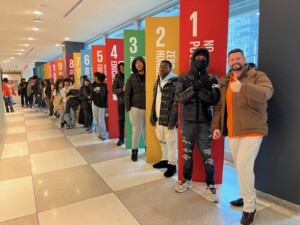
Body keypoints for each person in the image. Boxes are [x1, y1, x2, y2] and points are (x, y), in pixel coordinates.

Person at [212, 48, 274, 225]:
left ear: (244, 59)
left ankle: (249, 207)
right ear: (228, 62)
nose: (234, 62)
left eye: (238, 58)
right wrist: (216, 126)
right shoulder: (225, 81)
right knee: (241, 168)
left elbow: (266, 94)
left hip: (253, 130)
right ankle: (246, 196)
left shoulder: (257, 75)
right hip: (233, 132)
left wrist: (244, 87)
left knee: (243, 166)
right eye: (231, 59)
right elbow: (219, 107)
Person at [174, 47, 220, 203]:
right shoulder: (183, 77)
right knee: (187, 153)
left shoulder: (213, 78)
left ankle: (211, 183)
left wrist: (198, 87)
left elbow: (214, 99)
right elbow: (180, 97)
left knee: (207, 155)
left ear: (207, 61)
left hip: (204, 123)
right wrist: (195, 86)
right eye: (198, 58)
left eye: (204, 59)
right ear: (193, 59)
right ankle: (186, 179)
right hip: (186, 122)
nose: (201, 61)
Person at [150, 60, 178, 177]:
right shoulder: (157, 82)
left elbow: (176, 103)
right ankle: (164, 160)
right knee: (162, 140)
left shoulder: (175, 82)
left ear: (170, 69)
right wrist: (152, 115)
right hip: (158, 118)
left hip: (169, 120)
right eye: (160, 66)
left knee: (171, 142)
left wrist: (173, 120)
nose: (162, 69)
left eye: (165, 67)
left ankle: (172, 165)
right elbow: (154, 100)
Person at [125, 56, 146, 162]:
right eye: (136, 63)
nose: (139, 64)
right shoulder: (132, 77)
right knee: (136, 130)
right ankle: (134, 151)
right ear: (134, 65)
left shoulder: (149, 75)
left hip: (148, 107)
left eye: (140, 62)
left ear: (143, 63)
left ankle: (148, 149)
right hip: (135, 108)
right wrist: (128, 107)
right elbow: (127, 93)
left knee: (147, 130)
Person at [91, 72, 109, 140]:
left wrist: (106, 107)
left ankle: (104, 135)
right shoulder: (93, 85)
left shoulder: (104, 85)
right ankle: (99, 134)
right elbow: (91, 93)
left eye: (94, 76)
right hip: (94, 103)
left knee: (101, 121)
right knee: (95, 120)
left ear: (97, 77)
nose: (93, 78)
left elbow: (104, 96)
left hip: (101, 105)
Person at [112, 62, 125, 146]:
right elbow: (113, 90)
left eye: (123, 67)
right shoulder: (117, 77)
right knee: (121, 120)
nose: (122, 69)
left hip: (132, 101)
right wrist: (122, 89)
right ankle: (121, 138)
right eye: (120, 68)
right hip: (121, 101)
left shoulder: (132, 75)